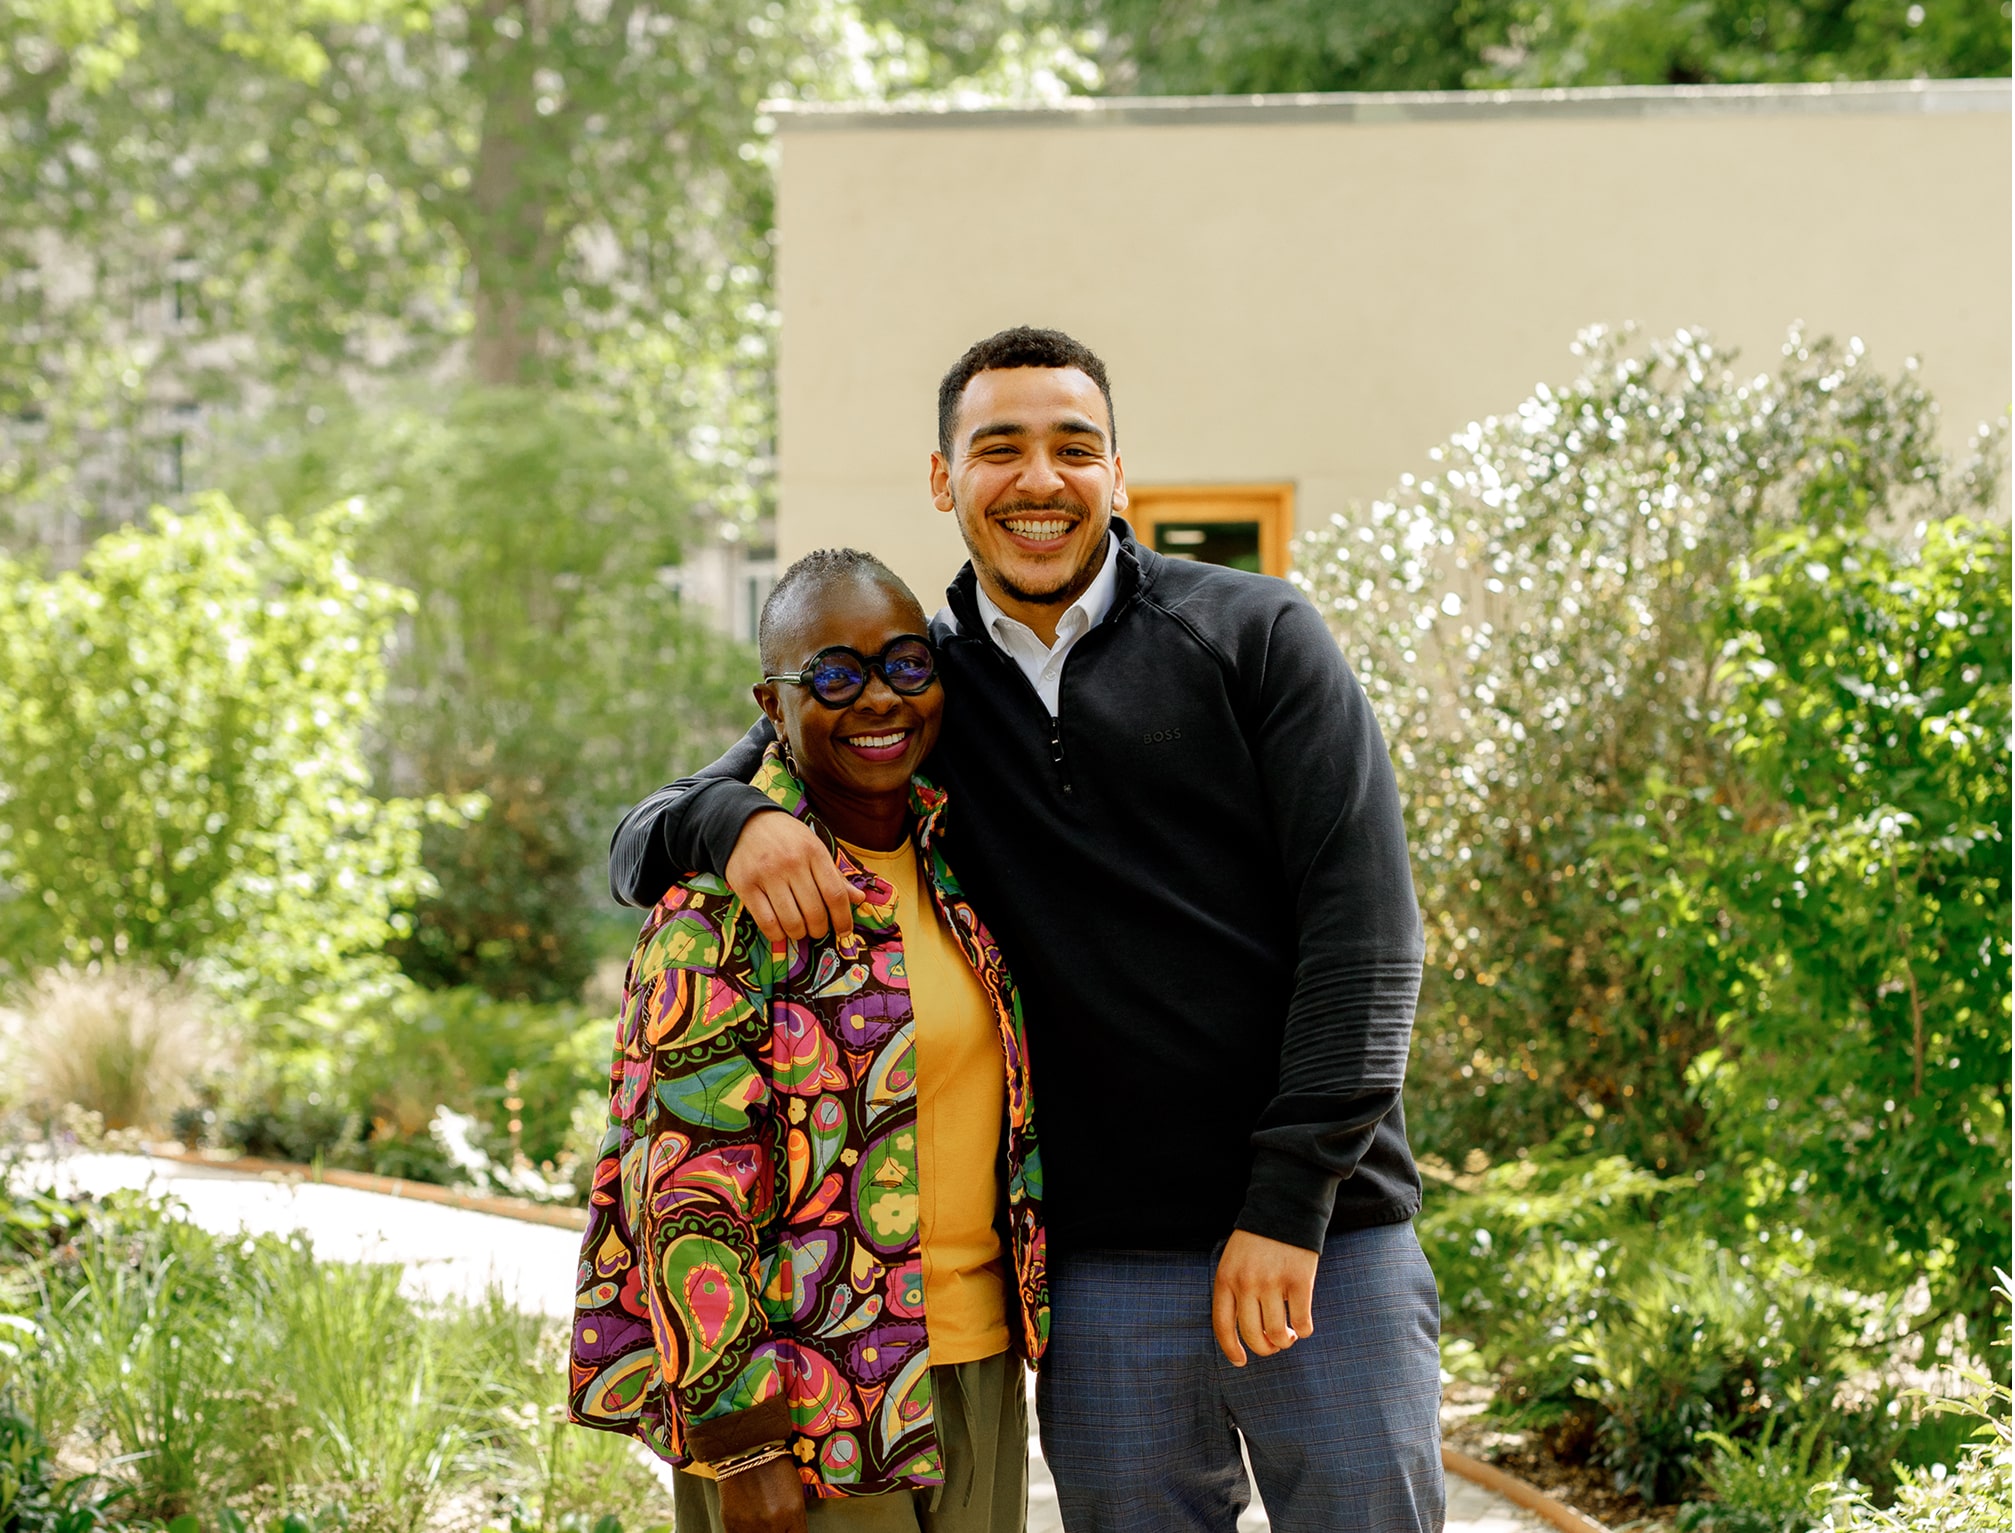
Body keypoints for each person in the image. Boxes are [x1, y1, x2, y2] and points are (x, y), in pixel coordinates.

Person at [609, 328, 1444, 1533]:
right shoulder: (919, 688)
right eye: (999, 449)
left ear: (1118, 473)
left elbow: (1365, 949)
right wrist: (733, 819)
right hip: (1104, 1275)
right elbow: (646, 835)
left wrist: (1285, 1205)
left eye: (1073, 447)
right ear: (945, 481)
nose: (1038, 480)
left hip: (1325, 1244)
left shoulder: (1257, 637)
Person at [569, 548, 1046, 1533]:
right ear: (771, 704)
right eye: (834, 675)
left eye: (906, 666)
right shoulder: (719, 911)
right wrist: (739, 1442)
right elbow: (683, 1199)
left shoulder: (952, 867)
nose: (879, 698)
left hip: (975, 1369)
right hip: (806, 1400)